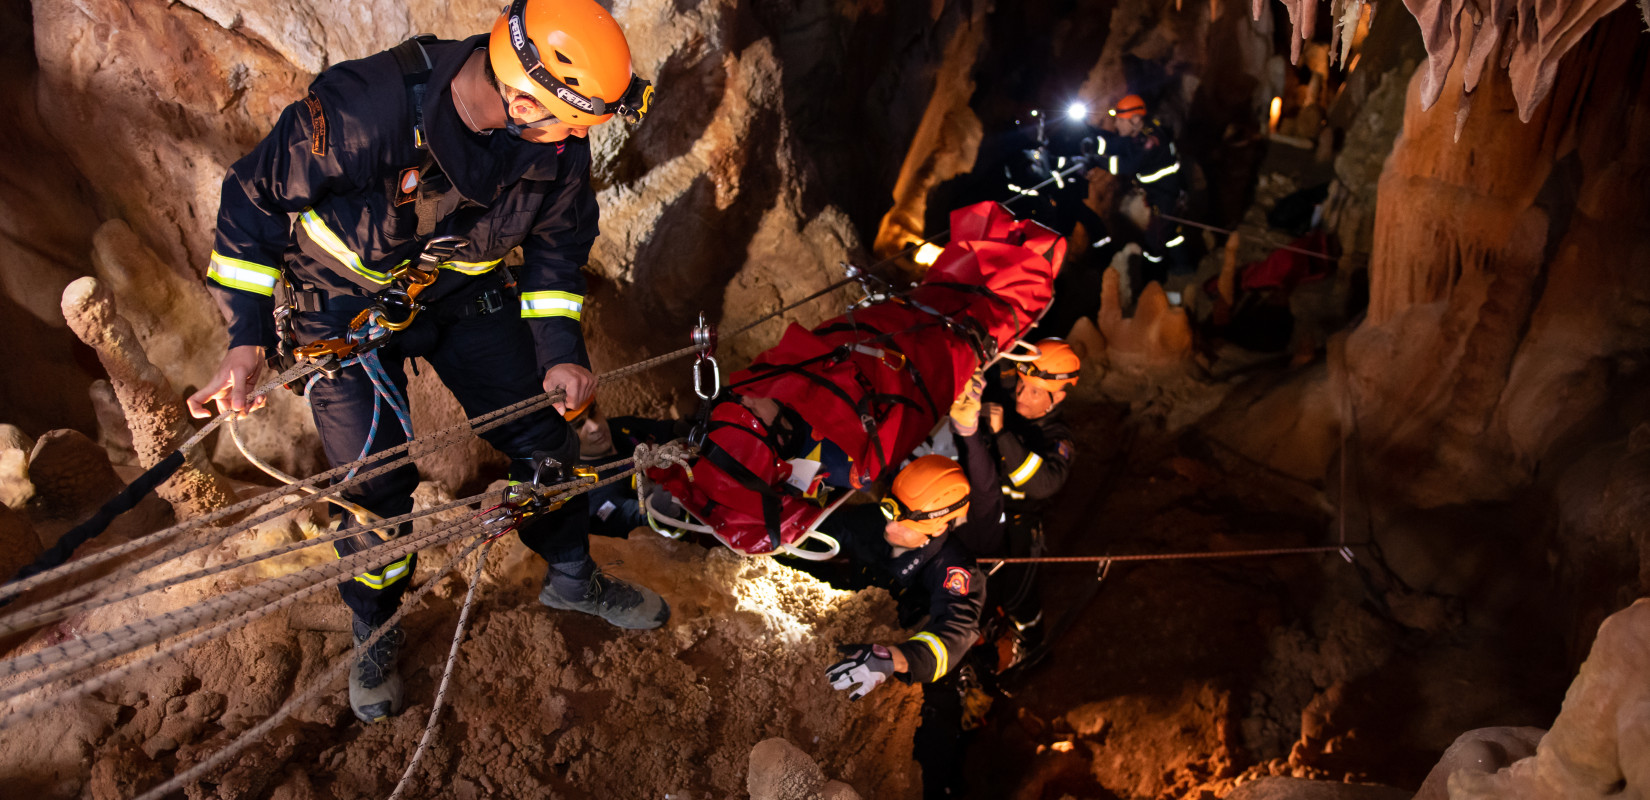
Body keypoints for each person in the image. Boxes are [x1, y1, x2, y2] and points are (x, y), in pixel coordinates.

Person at [187, 0, 665, 725]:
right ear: (520, 92)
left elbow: (557, 253)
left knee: (544, 436)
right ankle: (374, 627)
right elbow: (251, 201)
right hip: (340, 312)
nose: (576, 140)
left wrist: (561, 354)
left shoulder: (555, 148)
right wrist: (245, 338)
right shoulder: (366, 110)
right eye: (569, 120)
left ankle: (572, 575)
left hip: (459, 294)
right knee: (373, 486)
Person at [814, 376, 996, 799]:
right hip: (867, 619)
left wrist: (891, 659)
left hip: (924, 670)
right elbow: (825, 531)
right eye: (889, 510)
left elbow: (952, 636)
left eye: (902, 521)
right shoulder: (883, 523)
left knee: (933, 739)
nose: (889, 526)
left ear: (935, 527)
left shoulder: (956, 569)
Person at [977, 339, 1079, 666]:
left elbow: (1043, 485)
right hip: (983, 512)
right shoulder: (1014, 393)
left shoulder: (1058, 438)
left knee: (1018, 595)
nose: (1021, 395)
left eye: (1034, 392)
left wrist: (1003, 435)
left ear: (1058, 397)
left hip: (1020, 524)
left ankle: (1031, 646)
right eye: (1021, 385)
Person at [1094, 93, 1192, 284]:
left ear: (1136, 120)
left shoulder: (1151, 139)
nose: (1117, 125)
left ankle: (1154, 280)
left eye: (1121, 121)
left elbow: (1129, 164)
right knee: (1170, 235)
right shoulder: (1138, 134)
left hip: (1166, 196)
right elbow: (1121, 144)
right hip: (1160, 193)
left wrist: (1097, 160)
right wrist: (1097, 145)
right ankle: (1183, 266)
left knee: (1154, 242)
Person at [567, 400, 690, 538]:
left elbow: (665, 430)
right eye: (578, 425)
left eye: (593, 413)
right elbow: (632, 519)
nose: (595, 427)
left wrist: (688, 427)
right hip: (689, 524)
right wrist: (657, 512)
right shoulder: (591, 490)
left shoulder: (621, 427)